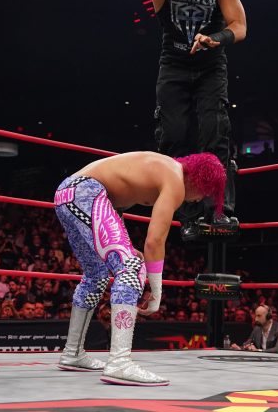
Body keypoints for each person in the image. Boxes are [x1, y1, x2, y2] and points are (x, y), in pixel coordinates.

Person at [54, 151, 226, 386]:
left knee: (97, 275)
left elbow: (112, 206)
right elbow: (154, 241)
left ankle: (72, 353)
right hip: (86, 192)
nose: (200, 199)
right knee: (131, 268)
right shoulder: (175, 179)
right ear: (200, 180)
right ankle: (120, 362)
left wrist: (124, 245)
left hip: (67, 194)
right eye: (206, 192)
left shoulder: (161, 170)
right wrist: (156, 292)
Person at [135, 0, 247, 240]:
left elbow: (240, 26)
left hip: (211, 66)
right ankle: (189, 217)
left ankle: (219, 211)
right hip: (174, 65)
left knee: (214, 129)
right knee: (173, 134)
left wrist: (216, 38)